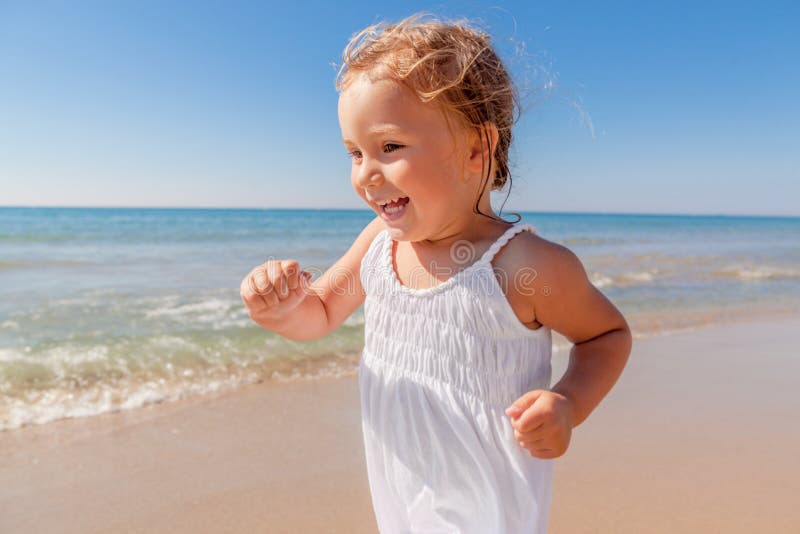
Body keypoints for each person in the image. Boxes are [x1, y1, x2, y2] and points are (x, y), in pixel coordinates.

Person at [240, 12, 632, 534]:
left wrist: (568, 403)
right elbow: (320, 313)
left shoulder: (523, 267)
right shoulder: (380, 243)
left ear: (476, 148)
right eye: (354, 153)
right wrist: (282, 308)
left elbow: (606, 334)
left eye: (389, 147)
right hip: (402, 489)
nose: (365, 174)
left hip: (485, 505)